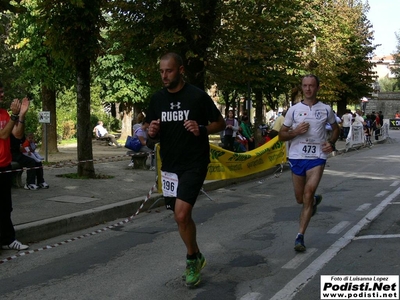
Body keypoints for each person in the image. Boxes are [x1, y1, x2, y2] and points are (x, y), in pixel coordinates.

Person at [146, 52, 225, 287]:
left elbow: (219, 123)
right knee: (181, 218)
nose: (164, 75)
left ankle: (191, 259)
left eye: (168, 71)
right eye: (161, 71)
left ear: (180, 70)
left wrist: (201, 128)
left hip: (194, 162)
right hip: (169, 166)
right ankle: (197, 254)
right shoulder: (157, 99)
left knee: (181, 214)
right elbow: (151, 132)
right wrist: (151, 132)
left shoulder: (197, 96)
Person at [278, 74, 339, 252]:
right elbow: (281, 135)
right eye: (305, 86)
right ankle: (312, 201)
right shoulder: (294, 110)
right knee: (300, 199)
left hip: (317, 158)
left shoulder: (326, 109)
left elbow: (335, 129)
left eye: (311, 86)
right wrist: (295, 131)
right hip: (297, 157)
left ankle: (300, 236)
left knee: (308, 193)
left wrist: (332, 142)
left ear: (317, 88)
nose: (308, 89)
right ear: (302, 87)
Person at [0, 80, 30, 250]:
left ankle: (8, 240)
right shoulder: (7, 114)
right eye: (0, 92)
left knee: (6, 207)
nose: (3, 95)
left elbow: (17, 135)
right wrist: (14, 115)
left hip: (4, 166)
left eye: (3, 91)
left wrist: (22, 115)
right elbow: (3, 135)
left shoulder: (4, 113)